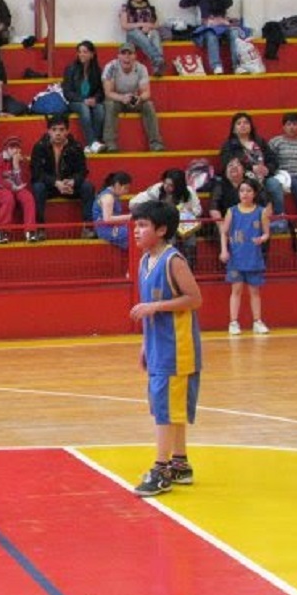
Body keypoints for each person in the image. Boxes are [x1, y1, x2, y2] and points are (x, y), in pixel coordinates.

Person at [128, 200, 203, 496]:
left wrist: (156, 306)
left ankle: (160, 471)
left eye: (143, 225)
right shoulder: (144, 260)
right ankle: (180, 464)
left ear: (161, 230)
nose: (136, 230)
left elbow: (195, 299)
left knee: (165, 411)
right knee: (171, 409)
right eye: (136, 225)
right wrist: (145, 344)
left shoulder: (174, 261)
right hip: (159, 347)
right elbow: (150, 313)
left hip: (178, 349)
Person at [30, 114, 96, 240]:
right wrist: (55, 183)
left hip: (69, 187)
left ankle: (88, 228)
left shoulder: (76, 147)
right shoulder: (39, 147)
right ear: (48, 131)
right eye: (54, 130)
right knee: (38, 188)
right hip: (50, 187)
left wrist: (73, 181)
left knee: (87, 187)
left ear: (67, 131)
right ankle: (39, 229)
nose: (58, 133)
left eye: (61, 130)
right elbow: (36, 173)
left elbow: (82, 171)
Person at [218, 112, 287, 232]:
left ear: (251, 126)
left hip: (263, 176)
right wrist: (250, 168)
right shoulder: (229, 145)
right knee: (250, 187)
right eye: (239, 123)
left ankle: (278, 218)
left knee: (274, 184)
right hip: (243, 177)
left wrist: (267, 169)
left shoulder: (260, 142)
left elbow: (273, 160)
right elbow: (227, 164)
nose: (243, 125)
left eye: (246, 123)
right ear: (234, 129)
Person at [220, 177, 271, 336]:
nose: (245, 194)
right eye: (242, 190)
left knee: (254, 291)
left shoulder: (261, 212)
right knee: (236, 290)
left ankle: (257, 321)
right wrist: (224, 250)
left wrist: (261, 239)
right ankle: (233, 322)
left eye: (249, 191)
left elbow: (266, 233)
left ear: (254, 193)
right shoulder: (232, 211)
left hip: (253, 256)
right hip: (236, 257)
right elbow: (224, 232)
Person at [178, 0, 244, 75]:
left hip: (223, 26)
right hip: (206, 27)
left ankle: (237, 66)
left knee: (234, 32)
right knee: (211, 35)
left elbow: (228, 3)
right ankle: (216, 66)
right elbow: (183, 4)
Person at [102, 43, 165, 153]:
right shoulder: (111, 67)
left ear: (134, 56)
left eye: (129, 53)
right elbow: (108, 93)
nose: (127, 57)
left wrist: (138, 98)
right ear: (118, 56)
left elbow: (146, 92)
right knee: (110, 104)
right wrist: (122, 98)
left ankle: (156, 143)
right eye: (123, 53)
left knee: (148, 104)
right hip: (117, 99)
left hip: (133, 99)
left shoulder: (141, 68)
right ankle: (110, 143)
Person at [61, 40, 106, 154]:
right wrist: (83, 100)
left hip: (90, 100)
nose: (82, 54)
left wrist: (95, 99)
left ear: (92, 54)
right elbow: (67, 92)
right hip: (75, 101)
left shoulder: (97, 70)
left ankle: (92, 145)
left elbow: (100, 91)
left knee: (100, 109)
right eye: (80, 52)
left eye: (85, 52)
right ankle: (92, 142)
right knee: (83, 108)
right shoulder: (70, 69)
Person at [0, 135, 36, 243]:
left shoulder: (21, 160)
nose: (15, 150)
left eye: (17, 147)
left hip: (17, 187)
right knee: (8, 198)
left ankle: (30, 231)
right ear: (6, 149)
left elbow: (22, 182)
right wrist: (12, 187)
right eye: (12, 147)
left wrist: (16, 166)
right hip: (0, 188)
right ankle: (2, 231)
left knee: (28, 197)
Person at [119, 0, 165, 75]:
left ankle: (157, 69)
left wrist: (148, 27)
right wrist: (141, 25)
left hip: (147, 34)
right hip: (133, 38)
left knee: (155, 33)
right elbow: (124, 25)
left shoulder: (150, 8)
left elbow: (156, 24)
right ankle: (158, 59)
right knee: (135, 32)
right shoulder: (126, 8)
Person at [92, 171, 133, 250]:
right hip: (106, 230)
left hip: (113, 226)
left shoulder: (113, 196)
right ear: (117, 185)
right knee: (134, 232)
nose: (126, 191)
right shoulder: (108, 197)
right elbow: (107, 219)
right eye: (125, 188)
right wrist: (130, 217)